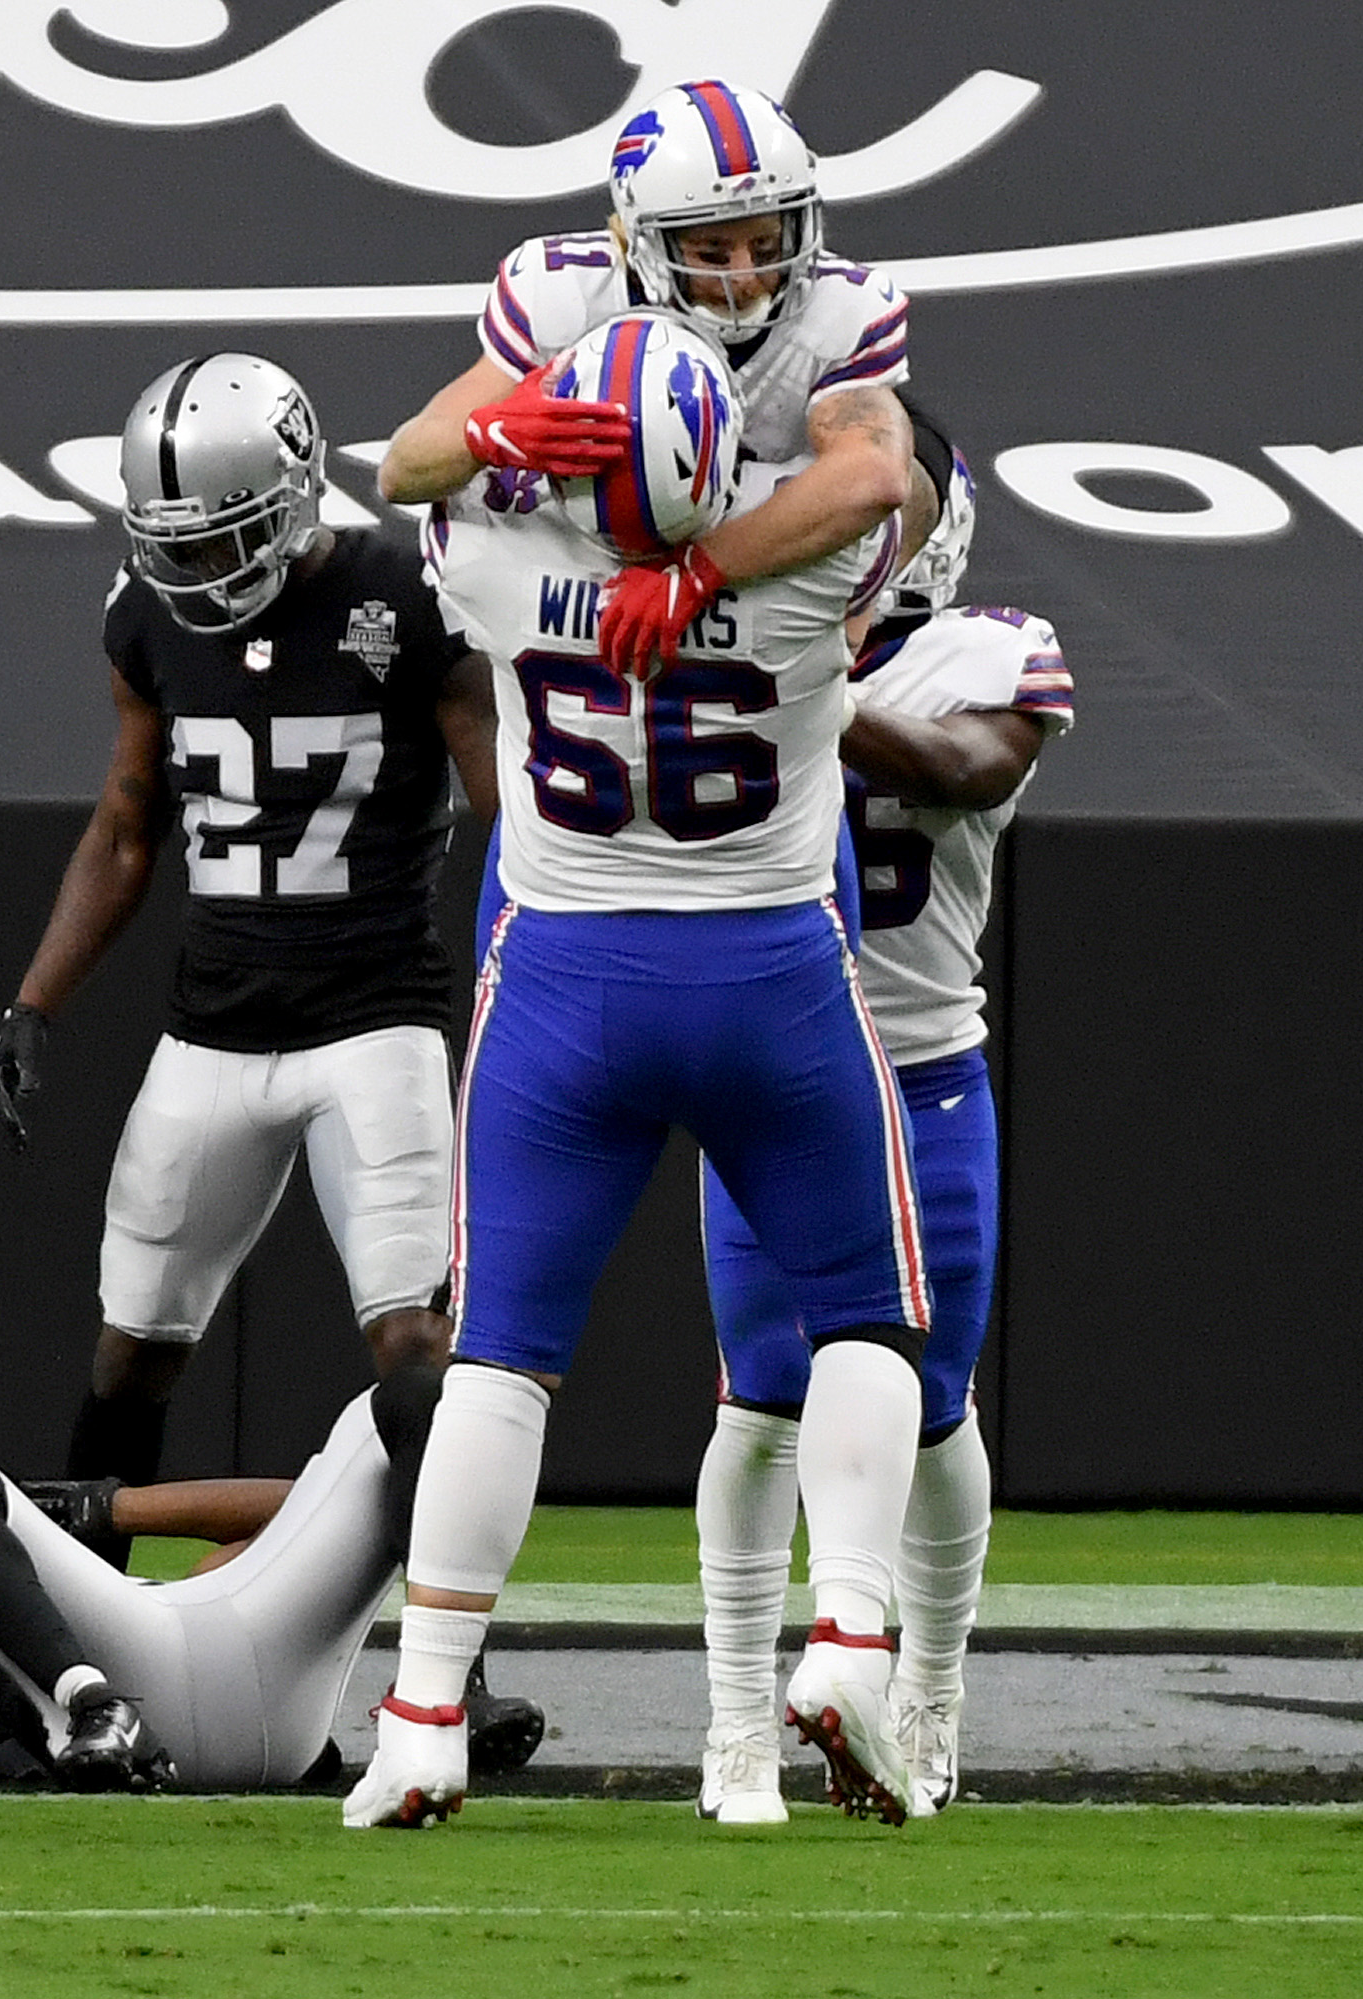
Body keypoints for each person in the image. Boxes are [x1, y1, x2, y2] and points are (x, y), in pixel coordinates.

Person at [342, 309, 940, 1833]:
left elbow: (416, 465)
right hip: (769, 976)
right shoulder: (808, 576)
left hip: (565, 986)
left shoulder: (489, 559)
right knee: (867, 1313)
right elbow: (884, 484)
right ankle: (852, 1636)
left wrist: (510, 429)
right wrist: (720, 542)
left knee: (500, 1358)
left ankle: (423, 1716)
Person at [0, 354, 500, 1514]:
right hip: (211, 1031)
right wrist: (35, 999)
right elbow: (128, 829)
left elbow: (511, 818)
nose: (203, 570)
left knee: (417, 1346)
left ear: (300, 491)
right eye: (179, 544)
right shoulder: (143, 618)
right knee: (131, 1349)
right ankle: (80, 1609)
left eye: (228, 537)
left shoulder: (406, 595)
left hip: (376, 1020)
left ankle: (445, 1626)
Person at [693, 446, 1072, 1822]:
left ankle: (931, 1687)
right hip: (781, 1070)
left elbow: (971, 764)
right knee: (756, 1399)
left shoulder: (993, 651)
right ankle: (737, 1721)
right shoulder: (741, 636)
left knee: (937, 1403)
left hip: (922, 1075)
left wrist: (816, 693)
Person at [375, 78, 916, 676]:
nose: (747, 276)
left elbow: (876, 478)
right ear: (638, 240)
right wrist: (490, 433)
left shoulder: (841, 306)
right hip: (593, 564)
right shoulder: (566, 292)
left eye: (767, 245)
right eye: (713, 253)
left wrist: (700, 570)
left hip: (763, 564)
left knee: (916, 462)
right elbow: (403, 473)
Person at [0, 1370, 546, 1791]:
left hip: (213, 1671)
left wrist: (104, 1508)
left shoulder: (150, 1609)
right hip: (155, 1704)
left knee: (422, 1397)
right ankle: (94, 1706)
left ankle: (438, 1699)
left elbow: (304, 1508)